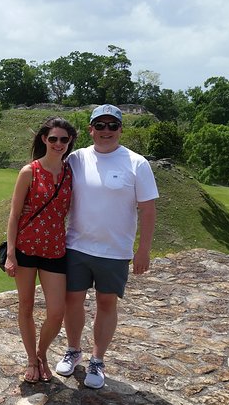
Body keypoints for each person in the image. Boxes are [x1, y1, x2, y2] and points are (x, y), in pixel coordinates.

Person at [54, 104, 158, 389]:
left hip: (114, 249)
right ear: (91, 129)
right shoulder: (76, 158)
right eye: (100, 125)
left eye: (113, 125)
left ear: (121, 129)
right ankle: (74, 350)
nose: (106, 131)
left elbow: (148, 209)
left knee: (106, 302)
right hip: (77, 245)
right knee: (72, 300)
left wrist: (143, 250)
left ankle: (97, 360)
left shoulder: (137, 163)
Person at [4, 117, 77, 383]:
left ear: (70, 142)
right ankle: (31, 360)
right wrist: (10, 254)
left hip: (55, 248)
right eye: (54, 138)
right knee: (26, 305)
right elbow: (14, 215)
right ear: (45, 139)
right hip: (26, 247)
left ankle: (42, 353)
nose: (59, 144)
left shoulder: (71, 172)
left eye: (64, 139)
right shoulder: (29, 172)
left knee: (56, 312)